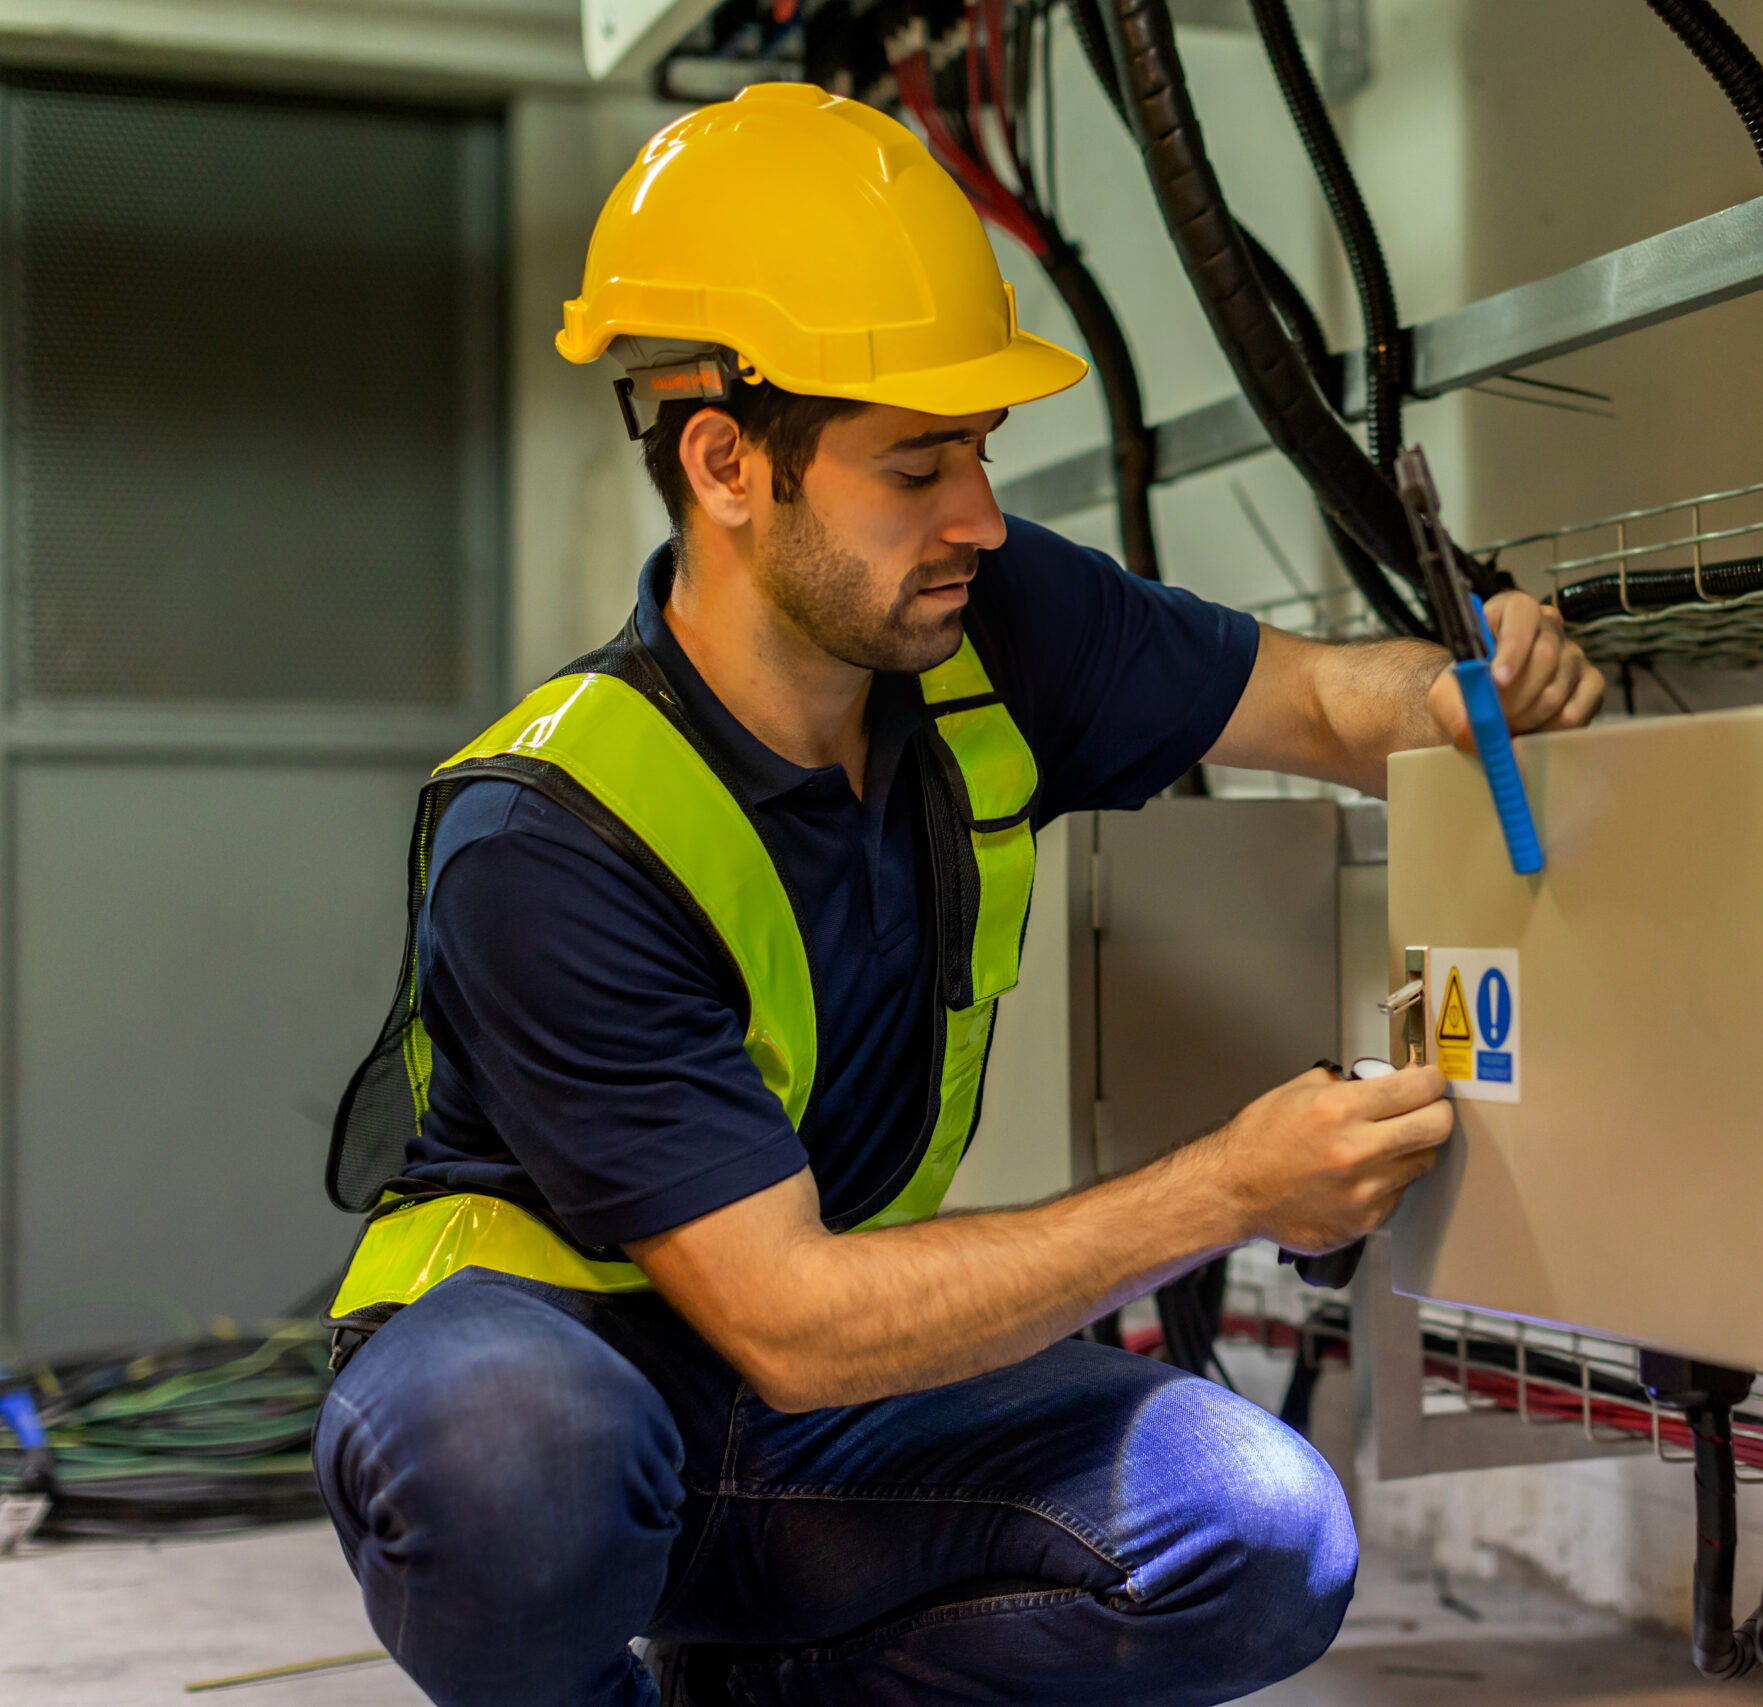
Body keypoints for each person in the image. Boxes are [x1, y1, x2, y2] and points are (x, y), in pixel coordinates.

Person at [312, 84, 1602, 1707]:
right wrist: (1228, 1189)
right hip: (557, 1364)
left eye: (978, 454)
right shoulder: (549, 839)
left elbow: (1328, 704)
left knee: (1261, 1533)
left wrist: (1464, 696)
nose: (979, 516)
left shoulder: (986, 618)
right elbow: (788, 1320)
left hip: (807, 1418)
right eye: (916, 464)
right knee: (518, 1460)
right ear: (725, 464)